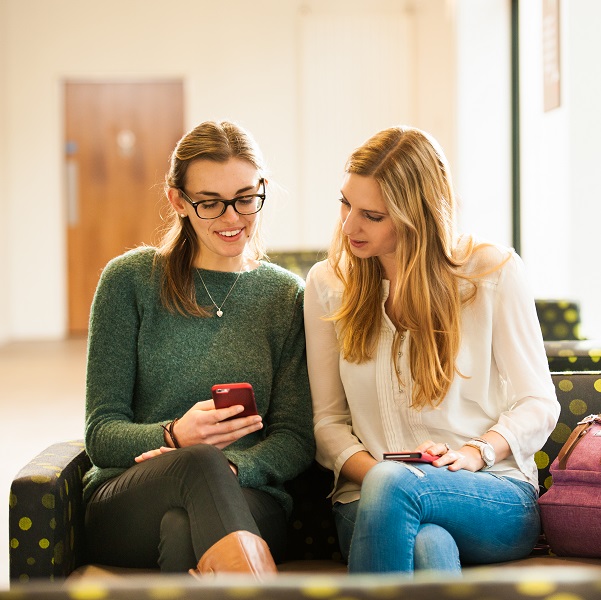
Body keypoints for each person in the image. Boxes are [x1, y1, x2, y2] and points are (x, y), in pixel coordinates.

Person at [304, 125, 560, 574]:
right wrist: (387, 479)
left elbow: (539, 403)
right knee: (425, 541)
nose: (349, 226)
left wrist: (474, 453)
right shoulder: (328, 284)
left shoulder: (491, 272)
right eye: (345, 203)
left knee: (400, 493)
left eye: (372, 215)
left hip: (487, 492)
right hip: (365, 499)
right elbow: (328, 424)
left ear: (416, 216)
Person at [83, 120, 315, 578]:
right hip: (128, 497)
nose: (232, 219)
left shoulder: (285, 297)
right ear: (178, 201)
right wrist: (174, 436)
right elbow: (101, 434)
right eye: (210, 203)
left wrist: (231, 467)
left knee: (181, 524)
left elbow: (295, 438)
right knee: (196, 467)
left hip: (248, 497)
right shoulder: (129, 281)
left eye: (246, 198)